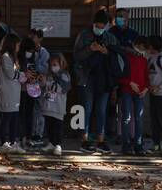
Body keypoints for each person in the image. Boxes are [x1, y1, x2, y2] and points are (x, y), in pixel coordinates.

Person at [73, 9, 120, 153]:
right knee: (85, 109)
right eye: (97, 26)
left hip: (104, 78)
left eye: (102, 27)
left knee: (101, 110)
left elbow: (117, 57)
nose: (99, 29)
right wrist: (90, 48)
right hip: (86, 77)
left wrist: (106, 52)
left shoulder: (110, 38)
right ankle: (84, 140)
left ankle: (101, 140)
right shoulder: (84, 35)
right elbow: (76, 56)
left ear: (106, 26)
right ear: (93, 24)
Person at [118, 36, 152, 155]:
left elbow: (147, 77)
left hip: (140, 92)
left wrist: (146, 89)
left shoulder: (143, 60)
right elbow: (120, 75)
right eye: (142, 47)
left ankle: (138, 145)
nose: (143, 50)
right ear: (136, 44)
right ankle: (126, 145)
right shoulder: (125, 57)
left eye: (145, 48)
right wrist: (130, 83)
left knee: (139, 118)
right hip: (127, 90)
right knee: (126, 117)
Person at [0, 32, 23, 151]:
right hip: (7, 92)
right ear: (12, 44)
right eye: (17, 45)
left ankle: (13, 142)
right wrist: (23, 75)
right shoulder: (5, 56)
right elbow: (11, 74)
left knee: (14, 119)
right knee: (6, 118)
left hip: (14, 92)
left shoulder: (11, 57)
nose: (18, 47)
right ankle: (3, 143)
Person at [18, 33, 47, 148]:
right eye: (29, 50)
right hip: (21, 90)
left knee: (30, 114)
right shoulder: (19, 60)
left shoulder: (34, 58)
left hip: (32, 90)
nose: (31, 52)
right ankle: (21, 136)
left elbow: (38, 71)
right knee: (21, 114)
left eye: (32, 50)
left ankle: (28, 137)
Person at [40, 54, 72, 156]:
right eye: (51, 64)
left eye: (55, 64)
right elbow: (44, 87)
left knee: (57, 126)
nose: (53, 67)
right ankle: (51, 143)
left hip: (58, 107)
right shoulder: (48, 75)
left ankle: (58, 144)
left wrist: (47, 83)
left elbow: (61, 89)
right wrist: (42, 81)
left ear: (61, 64)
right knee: (49, 126)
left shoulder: (65, 75)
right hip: (48, 105)